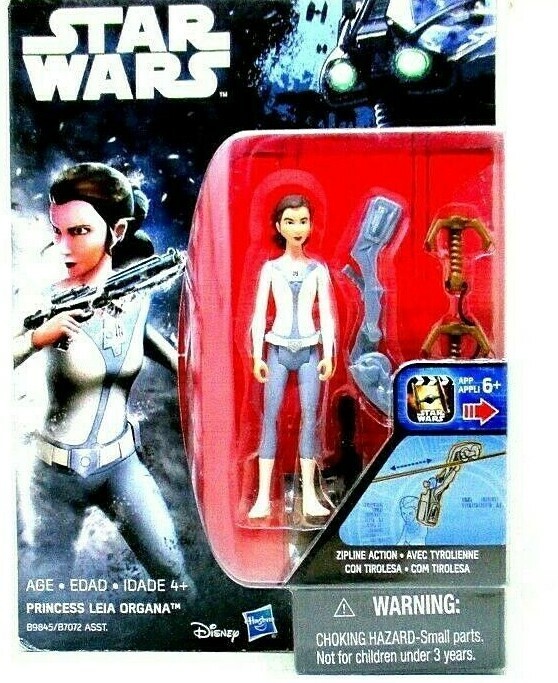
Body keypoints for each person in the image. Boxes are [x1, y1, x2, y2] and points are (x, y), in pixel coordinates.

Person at [13, 162, 194, 592]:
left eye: (79, 232)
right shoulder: (46, 302)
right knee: (45, 594)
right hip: (54, 477)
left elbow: (141, 336)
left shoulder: (130, 295)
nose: (64, 247)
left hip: (121, 466)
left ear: (118, 231)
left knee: (176, 580)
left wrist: (186, 368)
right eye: (57, 232)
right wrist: (39, 338)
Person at [249, 194, 335, 519]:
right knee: (269, 419)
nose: (297, 228)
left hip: (311, 351)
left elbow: (327, 316)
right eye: (290, 221)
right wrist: (257, 356)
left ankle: (310, 496)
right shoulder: (270, 269)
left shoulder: (318, 270)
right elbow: (259, 315)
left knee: (310, 419)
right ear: (278, 226)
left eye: (303, 221)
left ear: (310, 225)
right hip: (277, 350)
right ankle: (262, 498)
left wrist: (329, 353)